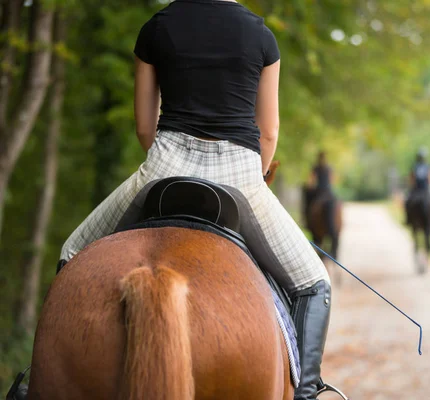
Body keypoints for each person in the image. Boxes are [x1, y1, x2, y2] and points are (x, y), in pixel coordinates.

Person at [56, 1, 332, 398]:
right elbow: (268, 132)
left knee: (73, 252)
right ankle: (307, 393)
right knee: (313, 282)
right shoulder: (261, 36)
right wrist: (257, 174)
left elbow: (143, 127)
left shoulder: (157, 27)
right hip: (241, 178)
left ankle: (37, 379)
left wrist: (168, 158)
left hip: (164, 170)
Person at [404, 148, 430, 249]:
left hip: (416, 191)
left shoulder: (415, 167)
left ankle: (408, 220)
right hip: (425, 191)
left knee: (408, 203)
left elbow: (411, 180)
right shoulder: (428, 167)